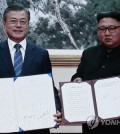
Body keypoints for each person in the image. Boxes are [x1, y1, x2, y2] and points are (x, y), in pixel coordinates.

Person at [1, 3, 61, 134]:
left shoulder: (41, 54)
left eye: (23, 21)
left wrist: (57, 109)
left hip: (35, 126)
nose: (18, 25)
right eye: (13, 21)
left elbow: (50, 88)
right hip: (4, 125)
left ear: (28, 25)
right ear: (4, 24)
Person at [71, 11, 120, 133]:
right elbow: (79, 75)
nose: (107, 33)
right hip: (91, 124)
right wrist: (77, 80)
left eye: (112, 28)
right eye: (102, 29)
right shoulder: (88, 53)